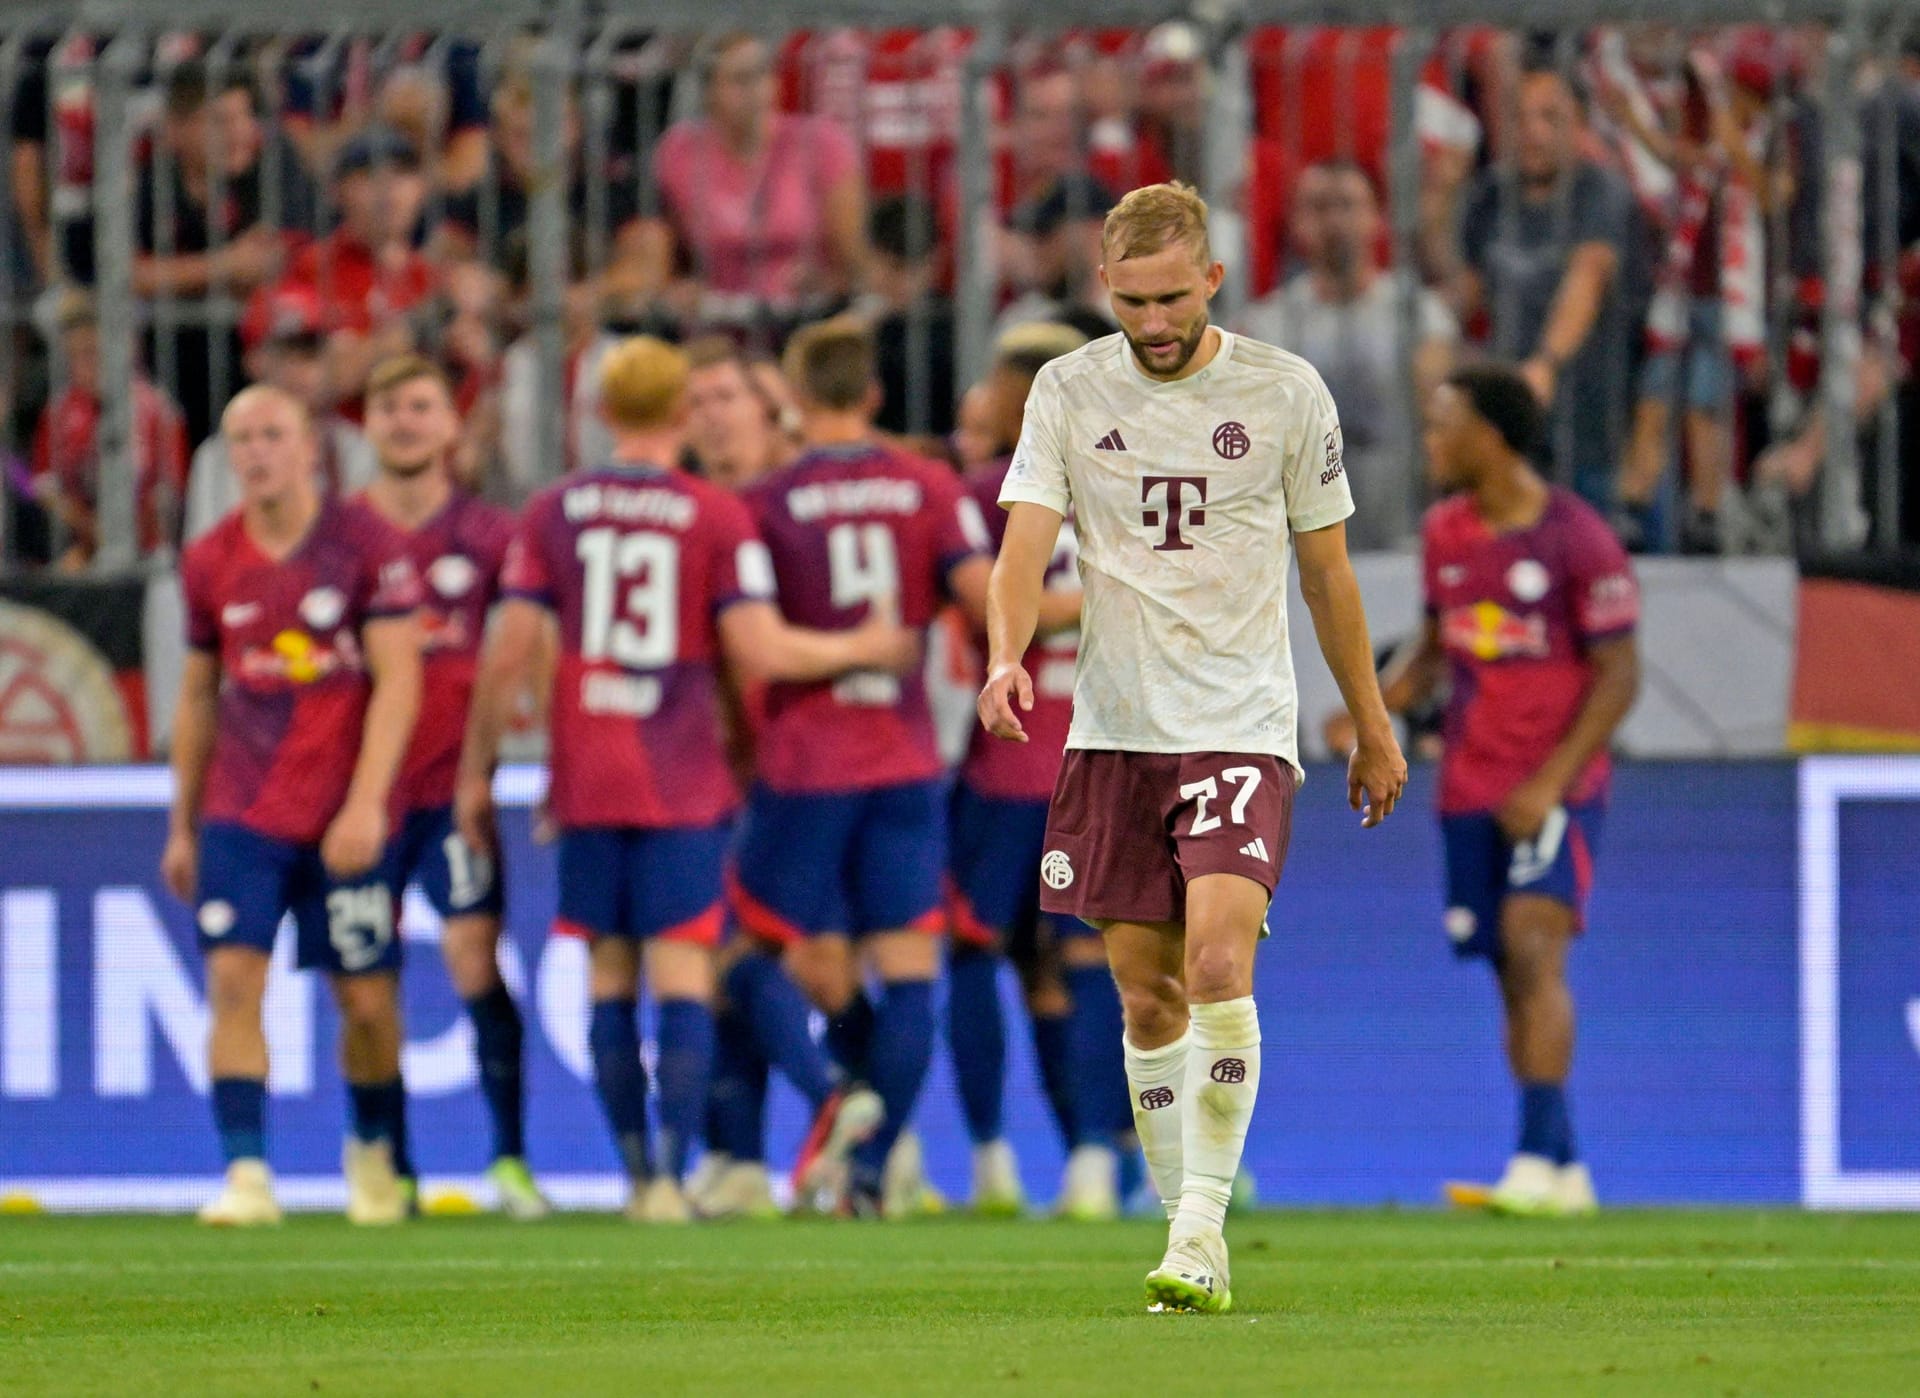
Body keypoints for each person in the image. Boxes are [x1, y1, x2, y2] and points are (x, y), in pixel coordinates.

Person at [979, 182, 1407, 1312]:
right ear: (1104, 290)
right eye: (1131, 302)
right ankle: (1186, 1231)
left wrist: (1372, 720)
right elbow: (1023, 545)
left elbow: (1328, 573)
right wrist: (1005, 653)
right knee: (1146, 998)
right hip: (1114, 731)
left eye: (1172, 298)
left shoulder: (1281, 391)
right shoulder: (1067, 390)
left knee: (1218, 964)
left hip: (1239, 728)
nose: (1155, 323)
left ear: (1211, 280)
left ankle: (1201, 1231)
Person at [454, 336, 918, 1222]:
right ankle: (678, 1173)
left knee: (607, 980)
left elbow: (510, 650)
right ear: (679, 416)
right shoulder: (713, 515)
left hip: (589, 774)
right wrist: (865, 646)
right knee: (684, 976)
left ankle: (640, 1175)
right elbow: (758, 651)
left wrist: (479, 770)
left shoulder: (553, 511)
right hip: (683, 775)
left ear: (600, 413)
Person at [1358, 364, 1640, 1217]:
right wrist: (1370, 713)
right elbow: (1438, 650)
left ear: (1494, 436)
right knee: (1509, 976)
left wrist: (1551, 784)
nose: (1432, 442)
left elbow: (1619, 677)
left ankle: (1530, 1159)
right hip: (1470, 787)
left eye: (1445, 425)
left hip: (1555, 784)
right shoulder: (1447, 533)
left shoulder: (1577, 539)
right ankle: (1565, 1166)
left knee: (1533, 947)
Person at [729, 316, 993, 1217]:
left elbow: (750, 645)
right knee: (911, 969)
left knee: (735, 951)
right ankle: (874, 1174)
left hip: (805, 758)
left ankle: (837, 1100)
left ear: (794, 402)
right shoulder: (927, 487)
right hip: (905, 757)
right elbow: (986, 602)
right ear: (875, 395)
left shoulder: (761, 502)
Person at [159, 385, 424, 1227]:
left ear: (311, 447)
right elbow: (198, 695)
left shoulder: (366, 545)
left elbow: (399, 680)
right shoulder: (209, 560)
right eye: (241, 438)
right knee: (234, 984)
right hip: (243, 811)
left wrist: (368, 804)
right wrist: (181, 822)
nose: (257, 452)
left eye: (273, 433)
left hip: (342, 815)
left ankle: (373, 1154)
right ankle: (247, 1175)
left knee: (367, 1001)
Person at [946, 322, 1140, 1220]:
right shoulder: (1136, 483)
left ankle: (991, 1160)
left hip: (1007, 760)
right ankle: (1097, 1165)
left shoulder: (988, 493)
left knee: (975, 950)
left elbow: (978, 597)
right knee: (1077, 960)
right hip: (1106, 756)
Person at [356, 355, 547, 1220]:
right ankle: (387, 1168)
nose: (404, 421)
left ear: (450, 427)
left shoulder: (491, 535)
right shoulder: (341, 537)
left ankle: (508, 1162)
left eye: (420, 405)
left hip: (451, 791)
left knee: (476, 961)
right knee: (367, 987)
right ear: (367, 424)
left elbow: (528, 643)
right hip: (359, 801)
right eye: (389, 407)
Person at [1452, 65, 1644, 514]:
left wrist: (1545, 365)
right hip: (1507, 427)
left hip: (1591, 422)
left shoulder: (1602, 193)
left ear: (1580, 127)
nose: (1532, 133)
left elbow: (1588, 276)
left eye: (1550, 118)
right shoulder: (1489, 196)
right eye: (1520, 118)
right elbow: (1465, 290)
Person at [1239, 159, 1458, 551]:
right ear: (1297, 224)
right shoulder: (1266, 326)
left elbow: (1440, 421)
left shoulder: (1421, 315)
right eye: (1320, 207)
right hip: (1302, 536)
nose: (1335, 221)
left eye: (1347, 205)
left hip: (1403, 523)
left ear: (1377, 218)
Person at [645, 32, 869, 344]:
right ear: (709, 92)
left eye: (764, 74)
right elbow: (665, 258)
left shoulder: (823, 143)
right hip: (714, 330)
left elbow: (857, 263)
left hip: (811, 325)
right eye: (740, 80)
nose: (757, 91)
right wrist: (677, 289)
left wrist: (827, 283)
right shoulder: (678, 153)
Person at [183, 285, 378, 543]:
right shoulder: (219, 457)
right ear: (252, 362)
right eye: (282, 356)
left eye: (308, 354)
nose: (296, 372)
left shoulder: (359, 449)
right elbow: (205, 560)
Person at [32, 290, 190, 568]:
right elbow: (42, 488)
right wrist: (89, 534)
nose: (83, 366)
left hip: (150, 554)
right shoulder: (58, 412)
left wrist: (121, 540)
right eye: (74, 356)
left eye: (92, 353)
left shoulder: (158, 411)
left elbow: (169, 495)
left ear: (126, 350)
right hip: (78, 550)